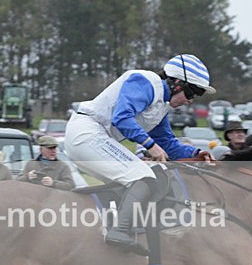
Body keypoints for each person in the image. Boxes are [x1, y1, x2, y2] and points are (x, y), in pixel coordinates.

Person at [64, 53, 215, 254]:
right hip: (87, 132)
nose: (189, 101)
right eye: (191, 93)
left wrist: (197, 153)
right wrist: (149, 145)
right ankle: (120, 230)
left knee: (147, 178)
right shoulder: (145, 81)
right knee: (144, 176)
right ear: (177, 82)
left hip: (94, 137)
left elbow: (167, 143)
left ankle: (117, 227)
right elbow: (122, 117)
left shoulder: (160, 106)